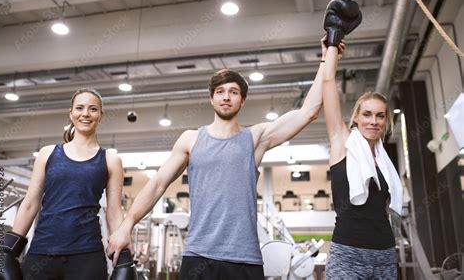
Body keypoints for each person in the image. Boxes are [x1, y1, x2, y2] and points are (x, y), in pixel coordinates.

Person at [107, 38, 345, 280]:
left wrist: (327, 57)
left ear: (242, 100)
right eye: (220, 92)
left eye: (233, 92)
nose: (226, 97)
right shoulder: (191, 140)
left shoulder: (255, 138)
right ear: (211, 99)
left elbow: (309, 112)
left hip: (244, 260)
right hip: (199, 256)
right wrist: (127, 225)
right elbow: (157, 184)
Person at [0, 88, 126, 279]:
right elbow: (30, 203)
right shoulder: (48, 154)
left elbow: (114, 211)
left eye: (92, 109)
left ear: (100, 115)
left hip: (87, 254)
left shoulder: (111, 160)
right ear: (71, 114)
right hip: (42, 251)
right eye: (80, 108)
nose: (85, 114)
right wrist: (7, 250)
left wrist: (124, 251)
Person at [322, 44, 403, 278]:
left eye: (380, 116)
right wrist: (332, 50)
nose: (373, 121)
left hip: (385, 252)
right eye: (367, 114)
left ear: (386, 121)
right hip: (347, 253)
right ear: (356, 117)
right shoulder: (342, 144)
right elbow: (328, 84)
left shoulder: (383, 162)